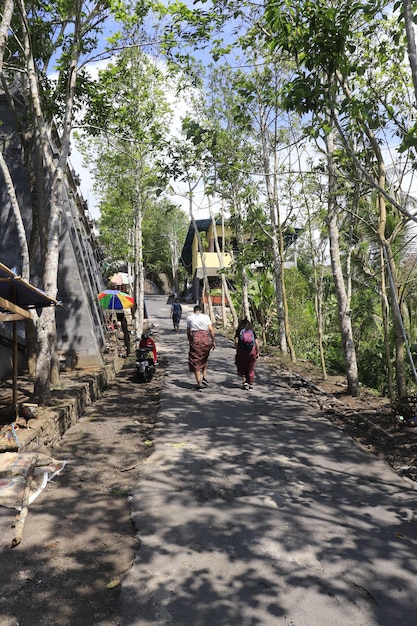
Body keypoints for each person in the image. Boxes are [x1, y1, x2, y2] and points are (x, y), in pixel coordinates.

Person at [187, 304, 215, 391]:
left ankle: (199, 383)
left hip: (195, 338)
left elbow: (188, 331)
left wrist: (190, 340)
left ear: (194, 311)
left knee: (196, 360)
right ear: (201, 310)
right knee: (204, 358)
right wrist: (213, 340)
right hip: (205, 338)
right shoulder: (205, 317)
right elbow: (210, 329)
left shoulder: (190, 317)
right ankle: (204, 377)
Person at [234, 318, 259, 390]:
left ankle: (245, 381)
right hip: (251, 351)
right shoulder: (252, 331)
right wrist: (257, 352)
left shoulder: (239, 331)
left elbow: (236, 341)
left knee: (241, 365)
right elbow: (257, 343)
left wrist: (237, 348)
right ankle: (250, 383)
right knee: (251, 367)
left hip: (241, 351)